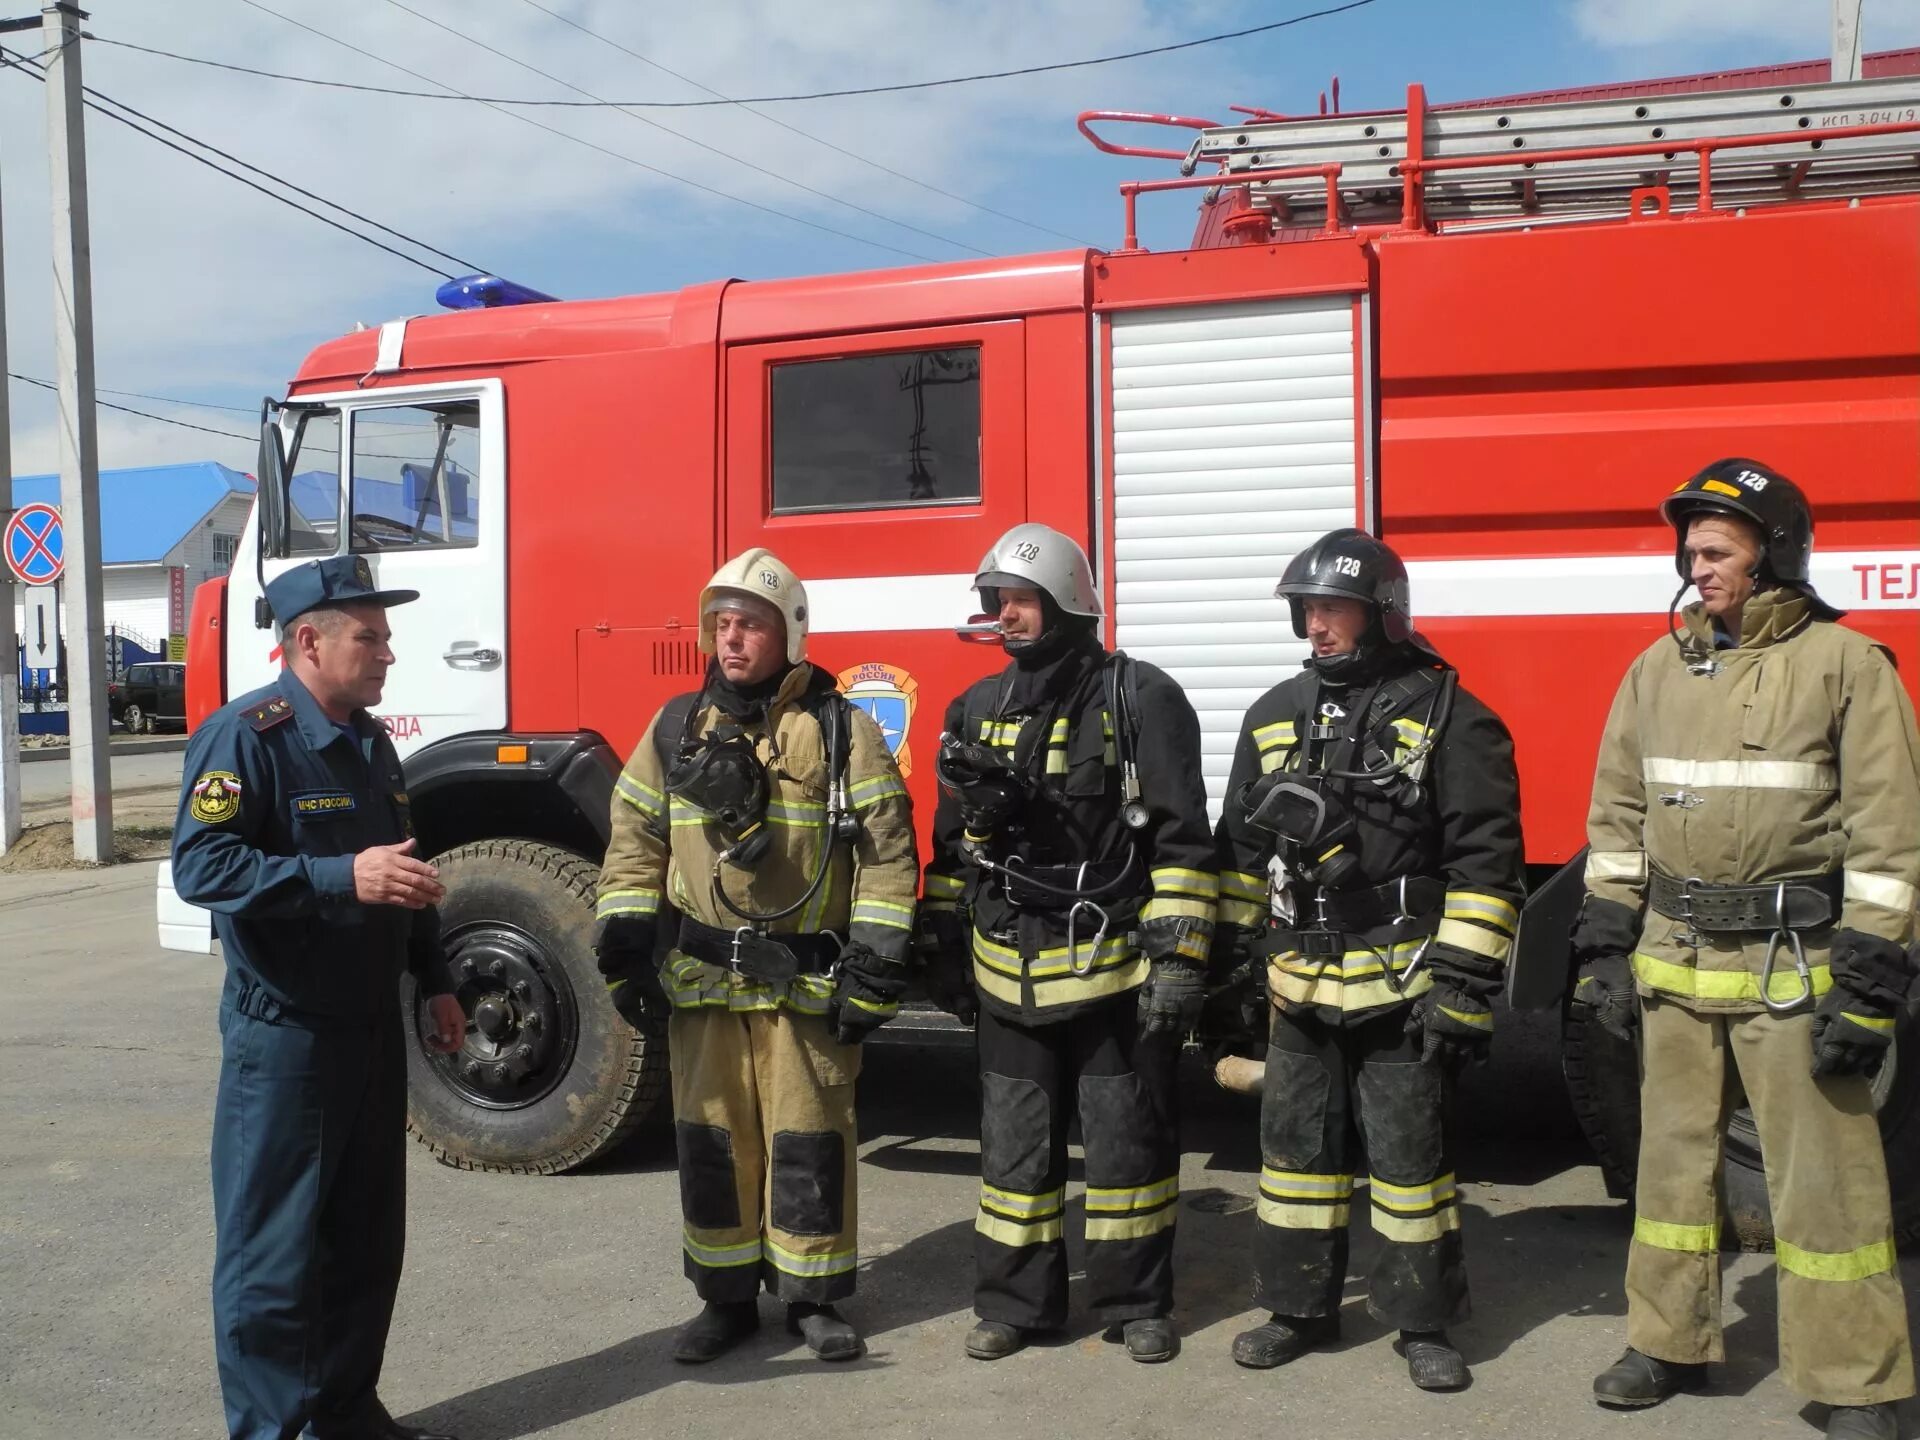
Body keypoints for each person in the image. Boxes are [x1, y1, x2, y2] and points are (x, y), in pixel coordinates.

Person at [1574, 460, 1920, 1440]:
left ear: (1776, 557)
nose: (1697, 563)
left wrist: (1869, 980)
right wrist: (1605, 937)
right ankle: (1666, 1343)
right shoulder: (1656, 667)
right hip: (1674, 965)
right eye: (1691, 550)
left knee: (1827, 1187)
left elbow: (1891, 836)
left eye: (1717, 549)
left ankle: (1858, 1384)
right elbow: (1618, 809)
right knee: (1671, 1174)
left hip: (1791, 969)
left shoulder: (1848, 666)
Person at [1213, 528, 1522, 1392]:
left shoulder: (1449, 712)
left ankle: (1422, 1321)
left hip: (1403, 977)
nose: (1316, 625)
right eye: (1306, 610)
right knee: (1295, 1159)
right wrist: (1229, 967)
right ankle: (1295, 1309)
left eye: (1333, 608)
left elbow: (1487, 862)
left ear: (1383, 613)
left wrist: (1463, 984)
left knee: (1409, 1161)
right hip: (1299, 982)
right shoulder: (1274, 712)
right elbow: (1238, 849)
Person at [594, 549, 918, 1364]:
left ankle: (813, 1301)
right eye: (722, 624)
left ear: (790, 634)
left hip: (805, 978)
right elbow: (633, 838)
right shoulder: (675, 728)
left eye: (751, 625)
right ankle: (724, 1298)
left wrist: (876, 964)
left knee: (810, 1140)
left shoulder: (843, 729)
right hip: (703, 978)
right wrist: (627, 949)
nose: (732, 639)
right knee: (711, 1142)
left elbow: (886, 852)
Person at [171, 555, 465, 1440]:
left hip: (371, 1030)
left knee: (365, 1241)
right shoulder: (246, 737)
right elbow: (202, 866)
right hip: (287, 1038)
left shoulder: (372, 741)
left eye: (383, 636)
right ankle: (272, 1430)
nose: (387, 653)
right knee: (272, 1256)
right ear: (308, 641)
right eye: (368, 636)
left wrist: (437, 981)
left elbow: (403, 867)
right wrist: (343, 875)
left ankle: (344, 1410)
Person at [918, 523, 1214, 1365]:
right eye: (994, 603)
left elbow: (1184, 842)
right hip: (1009, 968)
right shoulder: (976, 709)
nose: (1003, 616)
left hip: (1110, 965)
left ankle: (1136, 1302)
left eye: (1018, 601)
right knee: (1014, 1146)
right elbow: (949, 848)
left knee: (1127, 1143)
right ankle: (1016, 1304)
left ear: (1066, 602)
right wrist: (943, 942)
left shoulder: (1139, 698)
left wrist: (1180, 961)